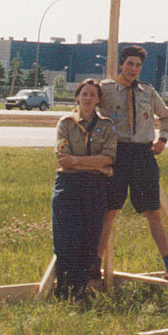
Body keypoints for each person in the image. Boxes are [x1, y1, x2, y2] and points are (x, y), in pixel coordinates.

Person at [97, 45, 168, 284]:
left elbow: (167, 116)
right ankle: (94, 266)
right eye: (129, 64)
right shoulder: (106, 90)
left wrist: (163, 139)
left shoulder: (147, 91)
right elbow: (87, 107)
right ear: (121, 64)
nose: (133, 69)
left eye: (138, 65)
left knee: (153, 212)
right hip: (117, 154)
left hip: (142, 155)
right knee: (110, 211)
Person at [52, 78, 117, 299]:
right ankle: (63, 291)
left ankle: (80, 292)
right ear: (77, 96)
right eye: (84, 94)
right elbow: (63, 160)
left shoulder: (106, 126)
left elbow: (109, 157)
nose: (88, 98)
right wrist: (99, 166)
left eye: (93, 95)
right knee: (66, 241)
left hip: (93, 187)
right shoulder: (66, 123)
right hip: (68, 186)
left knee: (89, 240)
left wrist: (78, 161)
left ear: (99, 100)